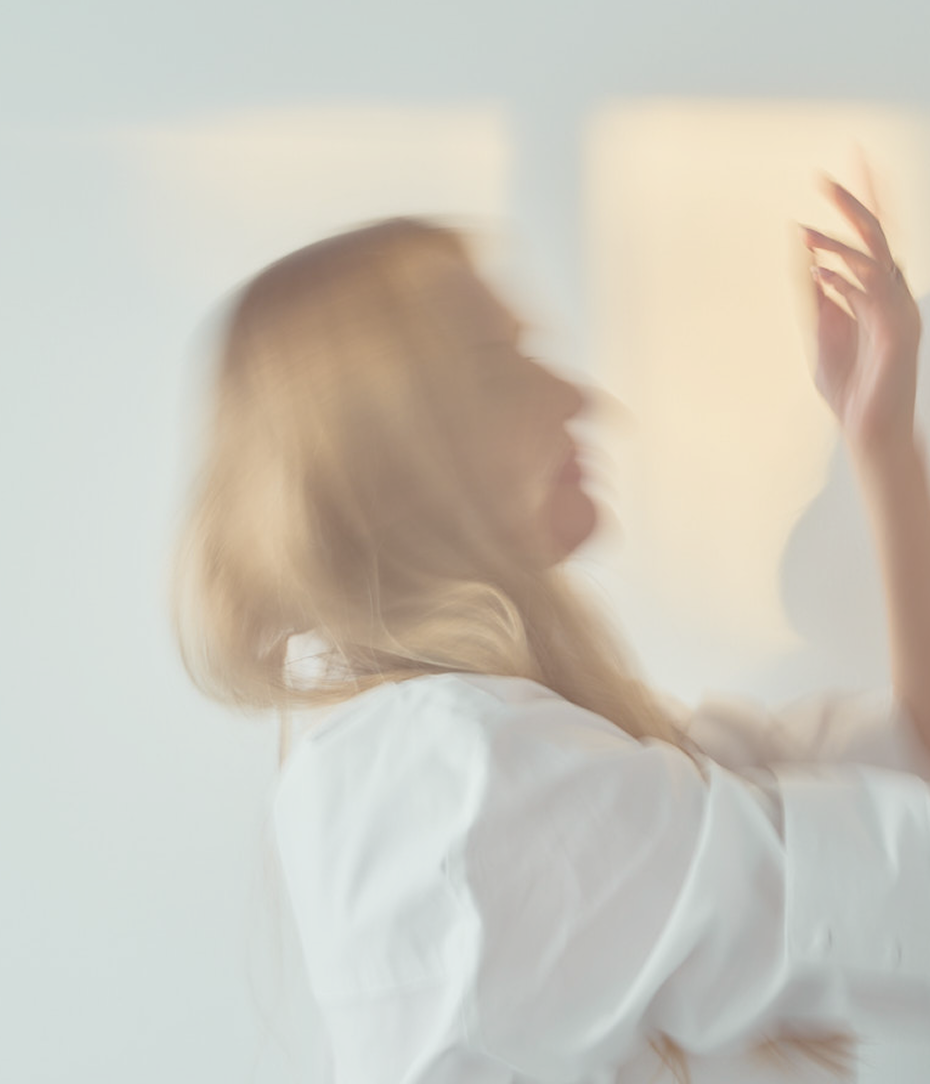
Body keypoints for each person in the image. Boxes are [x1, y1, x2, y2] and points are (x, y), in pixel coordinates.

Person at [170, 177, 930, 1083]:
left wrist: (879, 443)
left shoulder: (463, 753)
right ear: (388, 451)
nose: (577, 395)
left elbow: (898, 764)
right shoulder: (474, 784)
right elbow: (901, 890)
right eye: (499, 368)